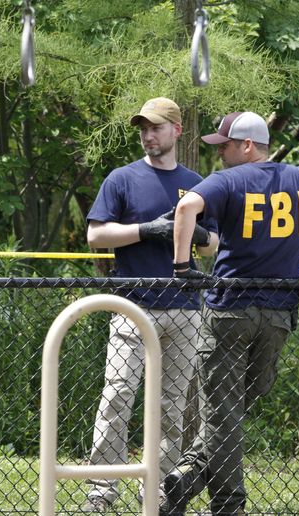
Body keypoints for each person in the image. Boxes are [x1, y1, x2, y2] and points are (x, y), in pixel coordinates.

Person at [163, 111, 299, 515]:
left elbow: (186, 208)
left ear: (248, 145)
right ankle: (199, 484)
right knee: (233, 409)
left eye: (224, 146)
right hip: (278, 313)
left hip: (229, 311)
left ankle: (219, 498)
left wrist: (182, 267)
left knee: (225, 412)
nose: (219, 154)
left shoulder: (228, 180)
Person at [81, 97, 219, 512]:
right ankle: (101, 491)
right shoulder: (121, 179)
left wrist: (192, 235)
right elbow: (96, 236)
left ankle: (155, 488)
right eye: (143, 128)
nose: (147, 135)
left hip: (185, 310)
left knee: (172, 405)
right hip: (132, 305)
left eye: (156, 127)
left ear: (177, 130)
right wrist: (146, 230)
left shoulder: (197, 182)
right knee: (118, 395)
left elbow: (214, 244)